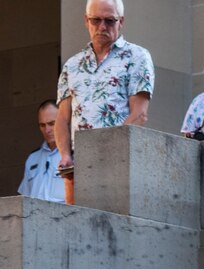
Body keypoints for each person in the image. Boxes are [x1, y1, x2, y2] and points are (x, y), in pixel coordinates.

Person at [55, 0, 153, 203]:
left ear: (121, 21)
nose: (102, 27)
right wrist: (65, 155)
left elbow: (140, 114)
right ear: (86, 20)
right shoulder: (72, 65)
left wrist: (109, 150)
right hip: (78, 168)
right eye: (95, 20)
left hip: (118, 162)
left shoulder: (137, 56)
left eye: (110, 21)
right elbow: (62, 118)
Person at [18, 100, 66, 202]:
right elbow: (24, 199)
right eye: (42, 125)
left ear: (63, 120)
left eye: (51, 123)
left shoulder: (73, 154)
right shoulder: (32, 158)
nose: (47, 130)